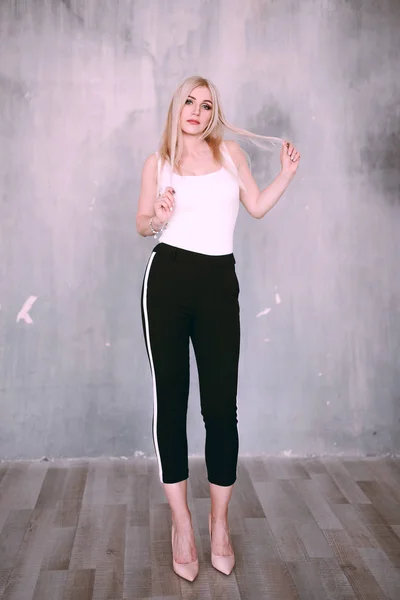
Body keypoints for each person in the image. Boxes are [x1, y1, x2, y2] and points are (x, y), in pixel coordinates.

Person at [136, 75, 300, 582]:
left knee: (220, 411)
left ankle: (219, 523)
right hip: (165, 284)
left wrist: (287, 174)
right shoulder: (158, 163)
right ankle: (182, 524)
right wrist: (158, 216)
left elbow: (254, 207)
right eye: (189, 100)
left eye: (206, 105)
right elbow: (142, 222)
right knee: (171, 403)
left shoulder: (231, 155)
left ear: (213, 114)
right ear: (176, 106)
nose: (196, 110)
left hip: (216, 284)